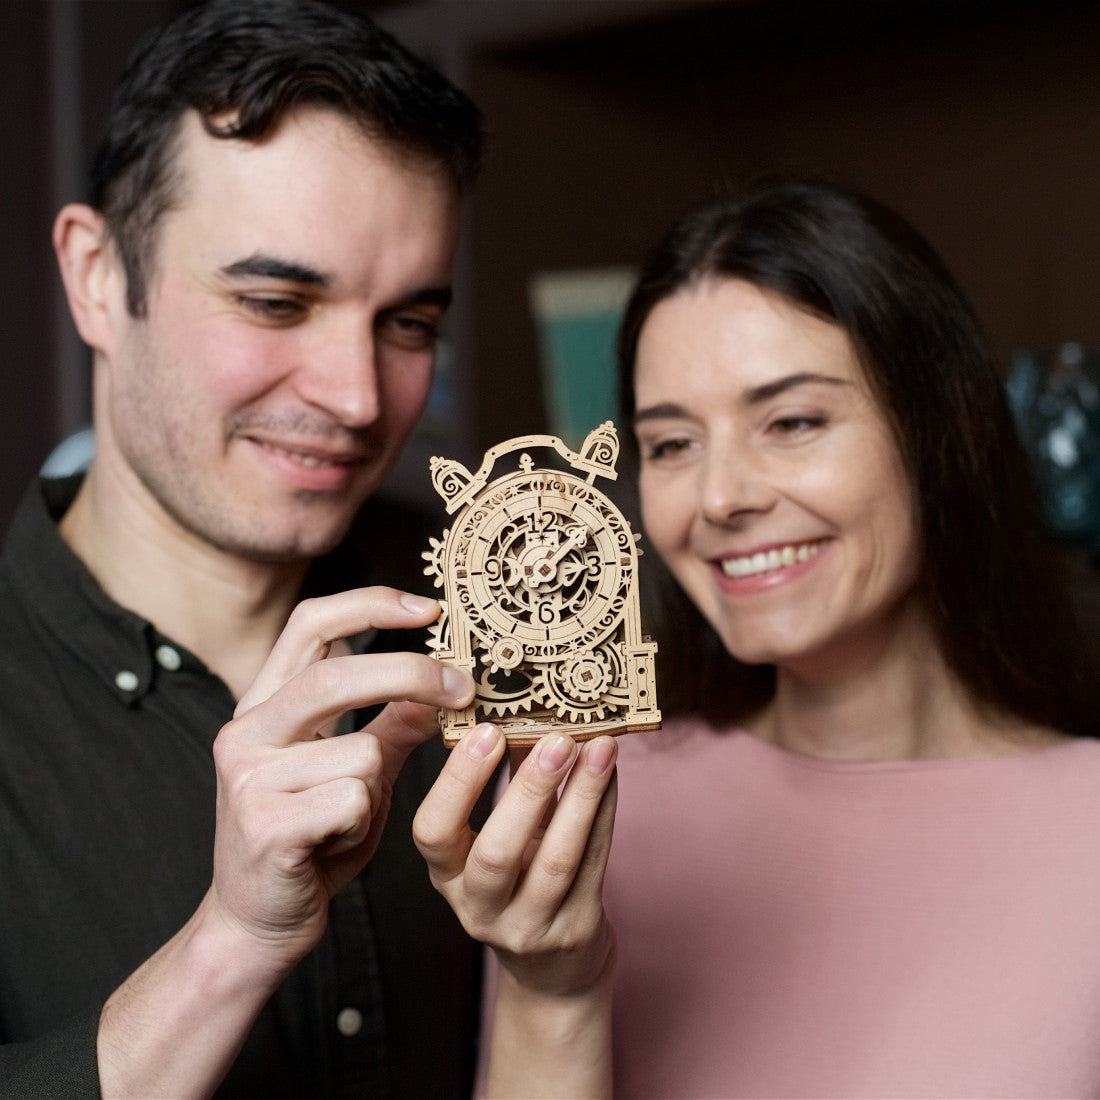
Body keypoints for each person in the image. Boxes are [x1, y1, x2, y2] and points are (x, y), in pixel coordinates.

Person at [457, 175, 1100, 1098]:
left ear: (941, 427)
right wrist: (549, 987)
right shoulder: (589, 800)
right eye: (672, 445)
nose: (721, 498)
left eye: (792, 422)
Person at [0, 0, 529, 1095]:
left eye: (408, 323)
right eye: (276, 299)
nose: (354, 396)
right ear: (98, 275)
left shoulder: (502, 598)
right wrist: (230, 941)